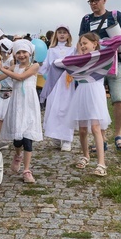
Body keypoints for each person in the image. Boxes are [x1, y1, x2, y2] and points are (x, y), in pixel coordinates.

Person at [79, 0, 121, 153]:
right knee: (98, 100)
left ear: (104, 0)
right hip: (95, 65)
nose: (93, 4)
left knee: (119, 99)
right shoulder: (86, 20)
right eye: (90, 1)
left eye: (96, 0)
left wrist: (118, 40)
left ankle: (118, 134)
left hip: (115, 62)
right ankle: (102, 138)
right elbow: (81, 42)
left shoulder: (115, 15)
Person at [63, 33, 111, 177]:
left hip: (95, 92)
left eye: (85, 43)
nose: (83, 46)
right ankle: (86, 156)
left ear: (94, 43)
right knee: (82, 129)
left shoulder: (101, 58)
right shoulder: (80, 60)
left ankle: (101, 163)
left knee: (95, 127)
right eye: (81, 44)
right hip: (82, 92)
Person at [0, 39, 42, 184]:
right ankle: (18, 155)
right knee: (17, 139)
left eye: (24, 52)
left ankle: (27, 170)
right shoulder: (13, 67)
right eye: (18, 53)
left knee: (27, 137)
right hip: (17, 103)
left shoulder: (34, 66)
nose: (21, 55)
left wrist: (4, 69)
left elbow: (21, 77)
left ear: (29, 53)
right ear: (15, 54)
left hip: (29, 103)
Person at [39, 24, 75, 152]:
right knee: (54, 107)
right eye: (59, 32)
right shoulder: (51, 50)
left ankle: (66, 138)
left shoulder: (73, 49)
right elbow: (45, 66)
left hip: (67, 81)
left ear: (68, 35)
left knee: (66, 108)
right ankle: (55, 135)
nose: (62, 34)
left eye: (64, 32)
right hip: (54, 82)